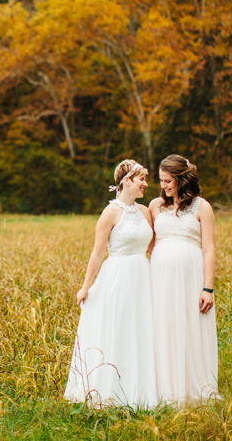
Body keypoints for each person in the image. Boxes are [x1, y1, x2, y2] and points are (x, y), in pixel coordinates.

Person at [64, 159, 157, 408]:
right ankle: (112, 389)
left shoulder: (145, 211)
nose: (146, 184)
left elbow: (152, 247)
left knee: (142, 329)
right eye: (141, 179)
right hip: (118, 275)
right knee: (120, 328)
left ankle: (141, 388)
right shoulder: (110, 212)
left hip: (142, 275)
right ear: (127, 181)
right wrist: (85, 286)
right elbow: (97, 253)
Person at [149, 154, 218, 404]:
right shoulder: (155, 206)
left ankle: (192, 387)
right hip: (160, 277)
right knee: (163, 326)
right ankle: (164, 387)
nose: (164, 186)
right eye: (161, 181)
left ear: (181, 179)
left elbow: (208, 249)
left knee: (189, 325)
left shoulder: (202, 207)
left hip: (191, 276)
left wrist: (207, 288)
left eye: (168, 180)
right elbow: (147, 243)